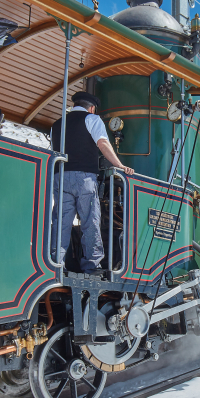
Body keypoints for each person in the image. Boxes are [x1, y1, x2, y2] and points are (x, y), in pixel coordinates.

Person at [49, 91, 133, 274]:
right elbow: (103, 144)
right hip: (84, 177)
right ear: (92, 108)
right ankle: (91, 265)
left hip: (60, 176)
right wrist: (119, 166)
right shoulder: (92, 120)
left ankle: (56, 263)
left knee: (61, 222)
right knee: (90, 221)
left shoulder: (56, 125)